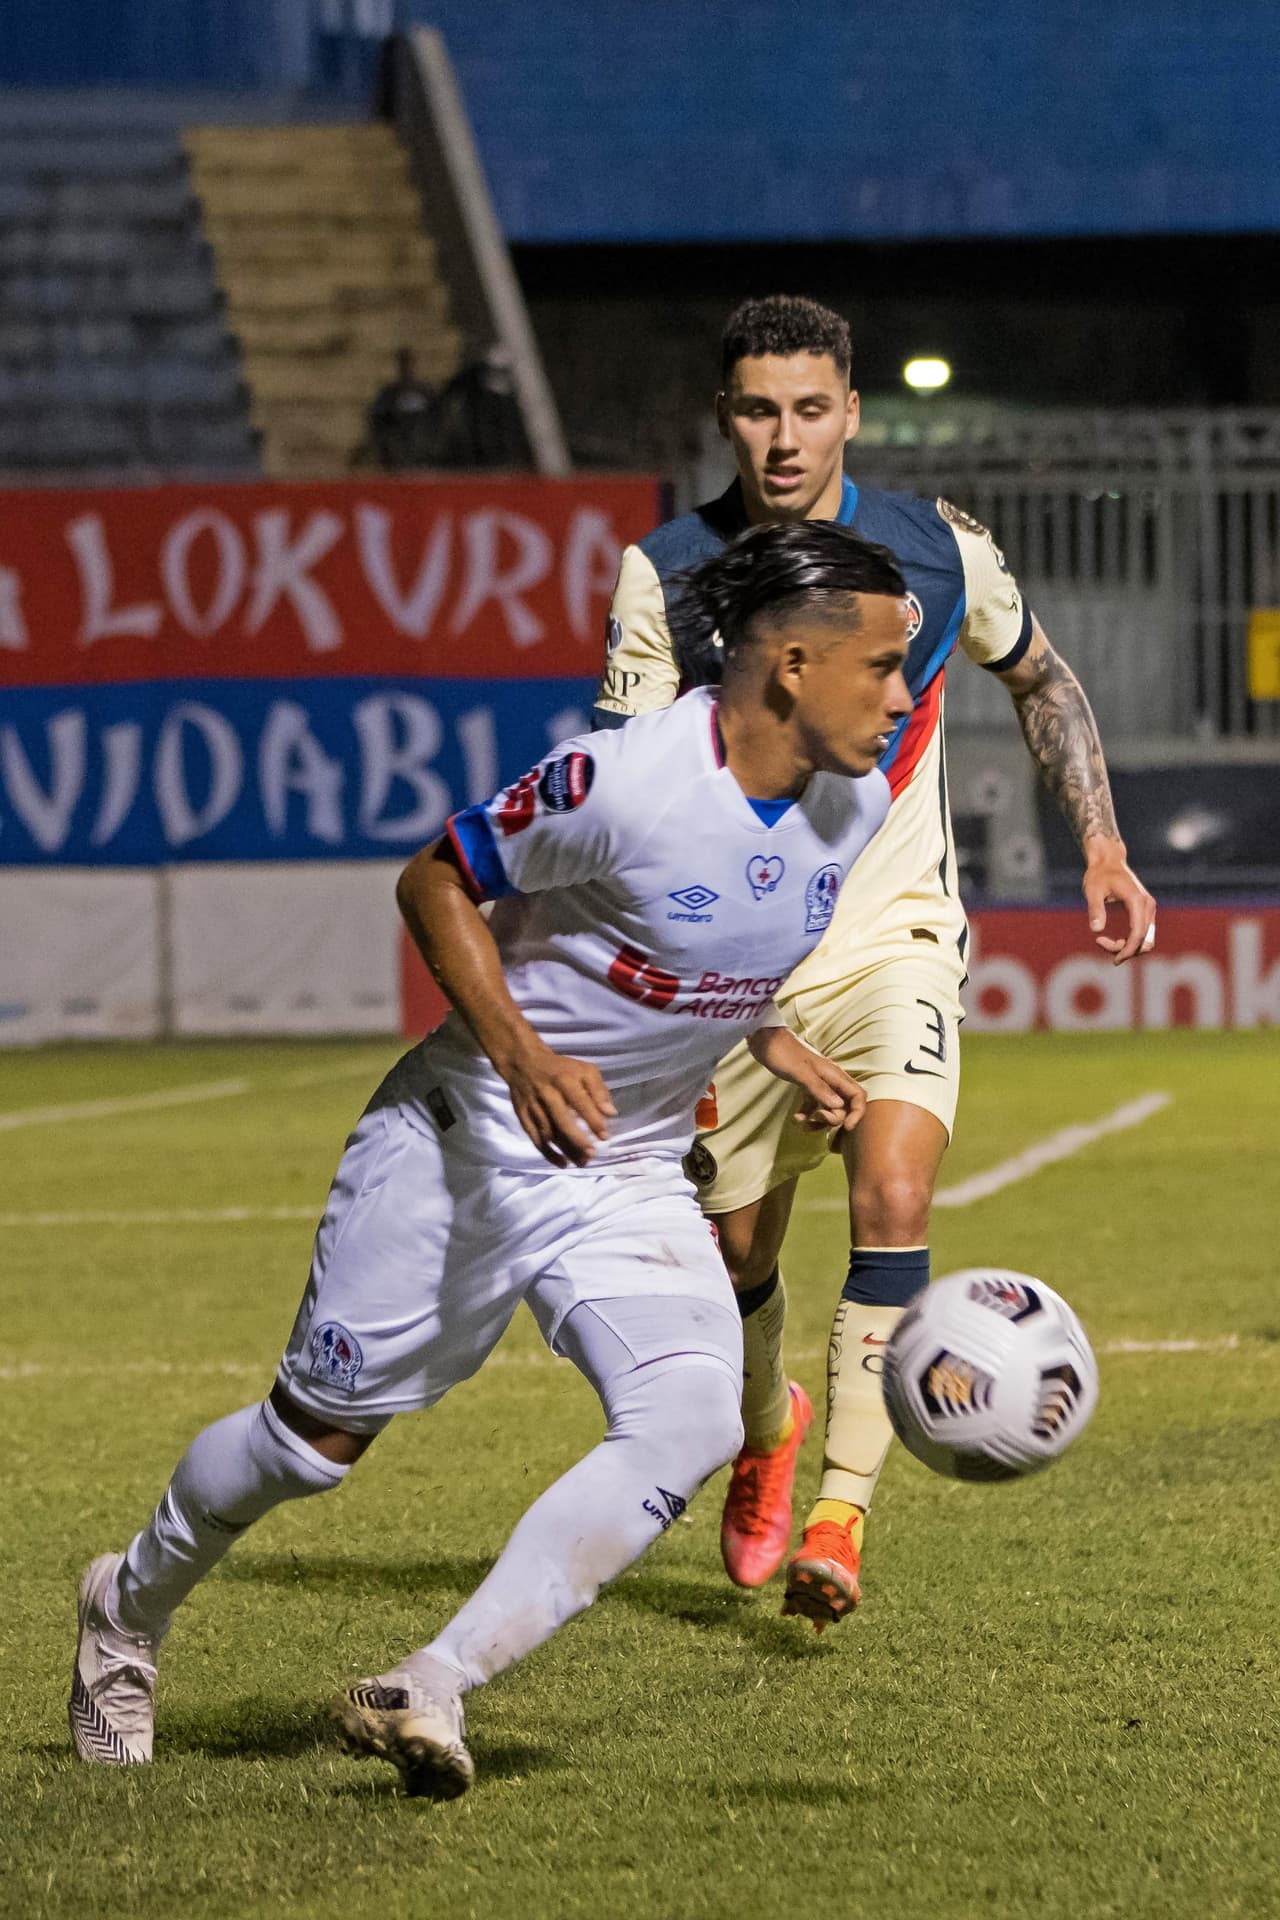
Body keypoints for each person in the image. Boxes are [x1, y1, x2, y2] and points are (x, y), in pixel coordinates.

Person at [69, 521, 913, 1796]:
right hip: (468, 1140)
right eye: (884, 666)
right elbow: (432, 883)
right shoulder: (620, 781)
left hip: (623, 1168)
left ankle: (430, 1681)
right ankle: (124, 1613)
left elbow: (711, 932)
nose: (903, 696)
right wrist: (520, 1054)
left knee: (688, 1413)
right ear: (791, 663)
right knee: (312, 1444)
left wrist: (771, 1036)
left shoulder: (856, 799)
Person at [595, 294, 1156, 1630]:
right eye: (754, 410)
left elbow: (1042, 677)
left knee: (895, 1196)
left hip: (893, 941)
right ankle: (766, 1428)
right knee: (734, 1253)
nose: (782, 439)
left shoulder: (939, 549)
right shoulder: (665, 574)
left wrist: (1103, 842)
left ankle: (839, 1517)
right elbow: (629, 797)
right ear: (722, 416)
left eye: (807, 409)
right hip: (739, 971)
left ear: (851, 412)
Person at [366, 347, 437, 470]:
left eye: (409, 363)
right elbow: (377, 420)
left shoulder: (426, 392)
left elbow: (437, 418)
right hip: (398, 448)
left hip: (423, 447)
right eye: (404, 364)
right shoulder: (389, 393)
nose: (407, 368)